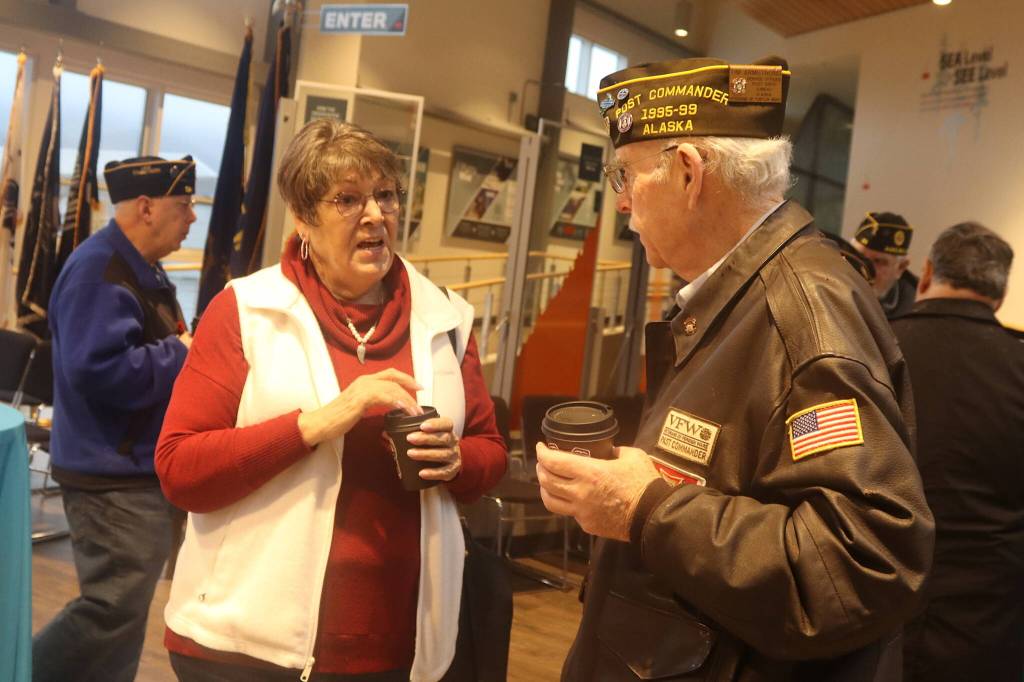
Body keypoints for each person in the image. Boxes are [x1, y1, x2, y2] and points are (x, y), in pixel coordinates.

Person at [536, 56, 935, 680]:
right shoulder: (741, 298)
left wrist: (646, 508)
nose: (619, 202)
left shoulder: (801, 312)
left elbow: (862, 563)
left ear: (690, 173)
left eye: (627, 174)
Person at [155, 119, 507, 682]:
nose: (375, 215)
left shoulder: (445, 317)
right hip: (245, 649)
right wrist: (320, 422)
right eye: (347, 199)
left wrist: (458, 462)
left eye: (385, 196)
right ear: (303, 218)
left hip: (400, 650)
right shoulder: (245, 310)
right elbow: (180, 469)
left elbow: (491, 451)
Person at [32, 156, 196, 682]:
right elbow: (100, 372)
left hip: (131, 466)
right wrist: (183, 352)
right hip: (110, 474)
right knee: (110, 609)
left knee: (121, 617)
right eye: (183, 204)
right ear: (146, 207)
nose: (192, 217)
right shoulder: (99, 272)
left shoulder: (137, 267)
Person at [892, 222, 1024, 682]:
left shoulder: (873, 348)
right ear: (1000, 294)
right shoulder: (1018, 363)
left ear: (925, 274)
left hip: (875, 610)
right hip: (989, 625)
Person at [850, 211, 918, 318]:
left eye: (878, 262)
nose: (865, 268)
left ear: (900, 268)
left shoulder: (915, 313)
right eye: (859, 256)